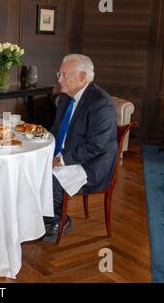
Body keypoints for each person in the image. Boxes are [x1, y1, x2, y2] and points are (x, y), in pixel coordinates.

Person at [43, 54, 117, 242]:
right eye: (59, 74)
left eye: (64, 75)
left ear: (82, 77)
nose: (59, 79)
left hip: (92, 164)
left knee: (50, 177)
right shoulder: (67, 98)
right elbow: (56, 130)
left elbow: (95, 146)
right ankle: (44, 216)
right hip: (69, 154)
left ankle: (59, 219)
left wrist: (59, 160)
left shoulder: (101, 103)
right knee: (31, 168)